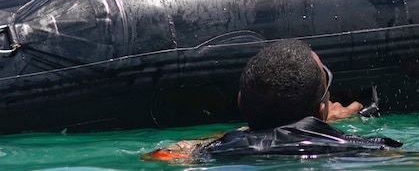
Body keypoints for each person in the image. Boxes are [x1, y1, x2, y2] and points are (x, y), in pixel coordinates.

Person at [144, 39, 401, 162]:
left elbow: (156, 156)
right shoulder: (368, 148)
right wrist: (321, 126)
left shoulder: (221, 150)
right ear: (322, 108)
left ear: (241, 102)